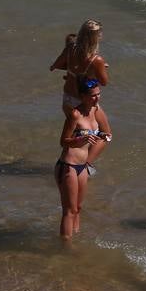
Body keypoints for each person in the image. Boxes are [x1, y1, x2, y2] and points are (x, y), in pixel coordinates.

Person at [55, 77, 112, 239]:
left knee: (78, 208)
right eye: (93, 95)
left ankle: (75, 239)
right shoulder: (75, 115)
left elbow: (106, 133)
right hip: (68, 166)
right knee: (69, 210)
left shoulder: (96, 110)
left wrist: (102, 136)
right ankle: (66, 247)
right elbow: (63, 142)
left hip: (82, 167)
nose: (97, 98)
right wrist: (80, 139)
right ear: (83, 96)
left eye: (99, 94)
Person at [50, 19, 110, 116]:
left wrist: (72, 69)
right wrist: (99, 68)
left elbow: (54, 66)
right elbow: (104, 82)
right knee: (103, 131)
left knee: (73, 129)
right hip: (85, 101)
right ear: (96, 38)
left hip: (68, 98)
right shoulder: (96, 60)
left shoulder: (70, 48)